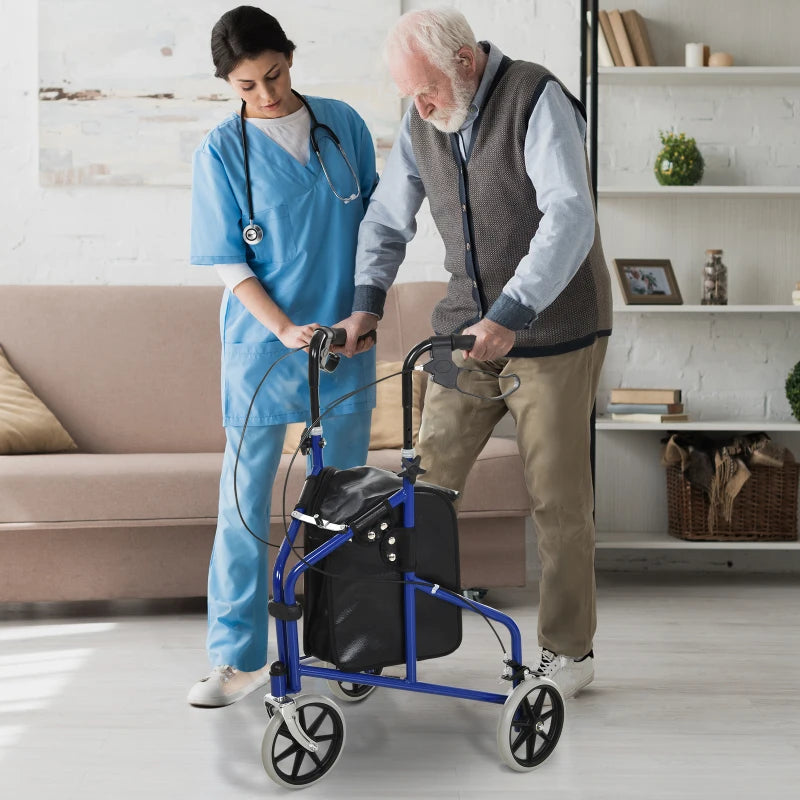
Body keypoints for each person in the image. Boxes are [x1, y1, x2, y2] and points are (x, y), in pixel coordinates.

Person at [337, 8, 612, 700]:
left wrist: (513, 312)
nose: (421, 106)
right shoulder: (422, 119)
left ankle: (568, 651)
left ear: (464, 63)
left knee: (558, 498)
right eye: (411, 96)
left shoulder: (535, 97)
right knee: (419, 489)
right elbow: (387, 215)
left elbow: (570, 215)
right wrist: (367, 301)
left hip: (554, 329)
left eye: (425, 89)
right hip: (467, 329)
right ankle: (383, 632)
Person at [188, 6, 378, 707]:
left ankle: (354, 648)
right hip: (262, 350)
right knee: (242, 505)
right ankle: (234, 660)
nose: (265, 96)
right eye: (246, 86)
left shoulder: (344, 125)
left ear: (289, 59)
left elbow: (377, 232)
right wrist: (282, 328)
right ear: (229, 85)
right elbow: (227, 262)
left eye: (272, 75)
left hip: (347, 345)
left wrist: (368, 310)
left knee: (351, 505)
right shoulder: (220, 149)